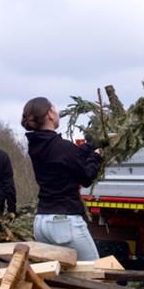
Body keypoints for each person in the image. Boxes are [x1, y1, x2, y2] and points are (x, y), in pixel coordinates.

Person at [22, 96, 101, 260]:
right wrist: (96, 156)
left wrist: (91, 145)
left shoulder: (36, 145)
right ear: (50, 114)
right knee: (96, 272)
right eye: (55, 109)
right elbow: (86, 177)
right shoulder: (62, 147)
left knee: (60, 278)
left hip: (42, 221)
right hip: (65, 221)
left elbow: (69, 155)